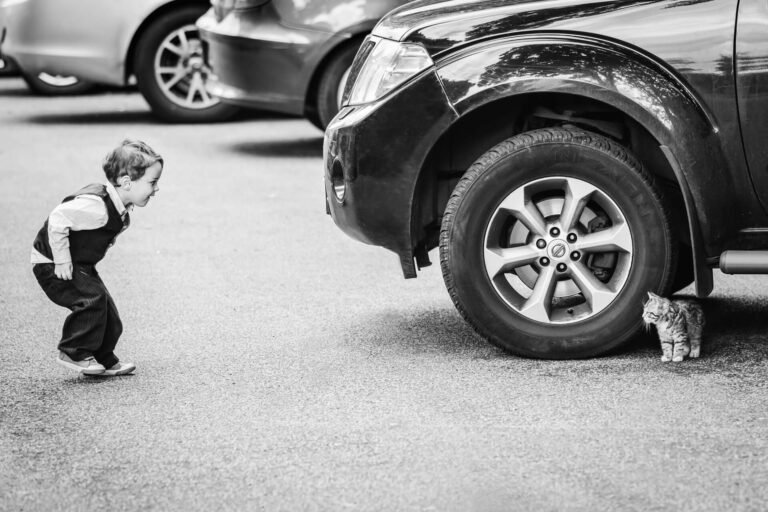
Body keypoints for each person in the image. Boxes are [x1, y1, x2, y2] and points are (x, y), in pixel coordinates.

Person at [31, 139, 163, 376]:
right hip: (51, 262)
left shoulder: (118, 207)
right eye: (152, 182)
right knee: (92, 300)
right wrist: (61, 259)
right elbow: (58, 218)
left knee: (109, 313)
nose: (156, 189)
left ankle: (102, 357)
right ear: (126, 182)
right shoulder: (97, 206)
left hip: (80, 263)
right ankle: (73, 351)